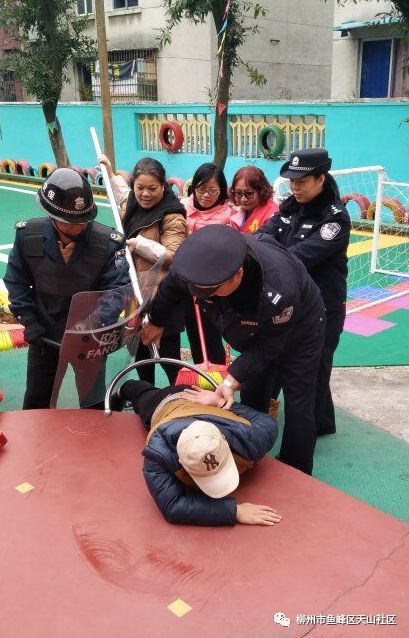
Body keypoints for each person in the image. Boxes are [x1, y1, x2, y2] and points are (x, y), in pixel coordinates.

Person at [141, 225, 326, 475]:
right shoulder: (198, 268)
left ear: (237, 274)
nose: (204, 295)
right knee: (253, 388)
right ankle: (249, 449)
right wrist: (156, 320)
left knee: (299, 399)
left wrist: (229, 381)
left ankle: (297, 470)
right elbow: (172, 286)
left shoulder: (279, 291)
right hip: (251, 326)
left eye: (211, 291)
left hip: (300, 330)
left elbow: (267, 347)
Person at [4, 168, 130, 409]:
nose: (79, 226)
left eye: (83, 220)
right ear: (51, 215)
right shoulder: (28, 236)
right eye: (70, 222)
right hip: (44, 334)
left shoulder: (108, 243)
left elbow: (118, 291)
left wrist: (92, 326)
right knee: (37, 403)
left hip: (90, 338)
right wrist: (30, 321)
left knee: (93, 405)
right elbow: (16, 282)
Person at [258, 149, 351, 435]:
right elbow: (262, 237)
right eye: (292, 181)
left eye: (301, 182)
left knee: (316, 368)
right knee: (275, 359)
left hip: (324, 306)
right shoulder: (289, 208)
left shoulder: (335, 219)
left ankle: (317, 426)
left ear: (321, 179)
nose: (295, 187)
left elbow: (301, 256)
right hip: (291, 300)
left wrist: (268, 256)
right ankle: (267, 412)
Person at [111, 379, 282, 526]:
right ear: (179, 460)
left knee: (148, 391)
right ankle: (120, 392)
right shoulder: (159, 452)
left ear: (224, 439)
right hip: (165, 403)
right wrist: (234, 511)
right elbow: (172, 506)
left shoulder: (249, 440)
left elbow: (267, 422)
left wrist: (218, 401)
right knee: (138, 392)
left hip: (201, 399)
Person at [99, 155, 188, 384]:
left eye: (152, 188)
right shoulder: (133, 204)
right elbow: (122, 195)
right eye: (140, 188)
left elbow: (176, 257)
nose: (145, 194)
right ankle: (145, 395)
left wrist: (140, 244)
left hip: (163, 300)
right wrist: (110, 172)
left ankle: (178, 398)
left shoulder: (172, 215)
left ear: (163, 186)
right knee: (140, 354)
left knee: (169, 358)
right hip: (136, 296)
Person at [181, 162, 233, 365]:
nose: (206, 195)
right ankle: (200, 371)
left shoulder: (227, 217)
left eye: (212, 190)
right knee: (194, 332)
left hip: (213, 287)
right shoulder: (182, 208)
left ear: (221, 191)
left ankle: (217, 373)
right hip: (186, 282)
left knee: (211, 335)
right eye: (201, 188)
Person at [229, 166, 279, 233]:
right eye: (238, 193)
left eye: (249, 193)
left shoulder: (273, 216)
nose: (243, 199)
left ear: (262, 191)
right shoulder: (235, 210)